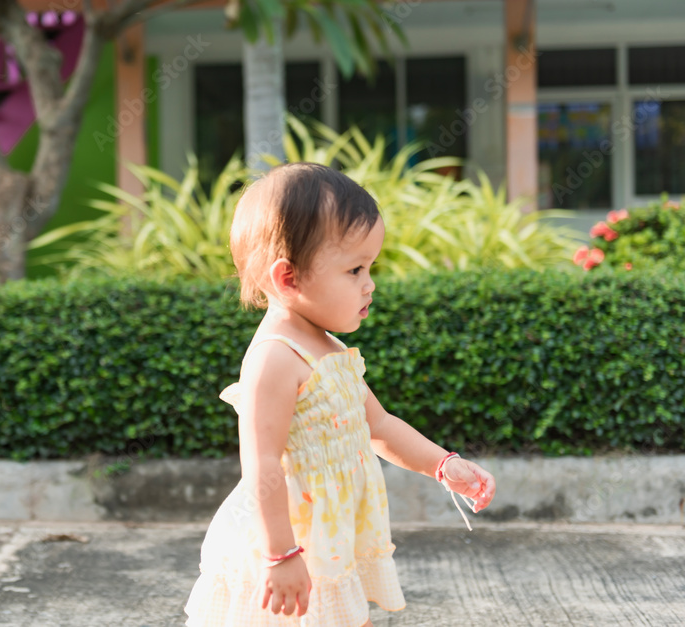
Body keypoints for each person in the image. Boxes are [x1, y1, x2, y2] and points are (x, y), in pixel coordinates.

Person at [184, 162, 497, 627]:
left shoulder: (329, 347)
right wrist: (280, 554)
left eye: (370, 267)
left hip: (331, 536)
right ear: (289, 278)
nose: (370, 284)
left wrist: (442, 464)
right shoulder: (275, 358)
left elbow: (379, 425)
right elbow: (262, 464)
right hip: (292, 539)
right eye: (354, 269)